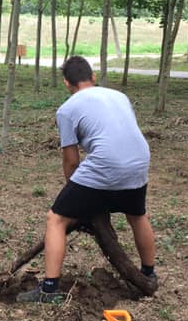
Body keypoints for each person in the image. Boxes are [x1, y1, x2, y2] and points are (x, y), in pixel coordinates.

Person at [18, 55, 157, 304]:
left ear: (66, 83)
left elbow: (71, 160)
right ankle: (149, 273)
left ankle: (49, 289)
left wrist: (77, 195)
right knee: (137, 215)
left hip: (106, 163)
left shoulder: (67, 109)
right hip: (139, 160)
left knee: (56, 219)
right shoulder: (119, 96)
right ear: (93, 77)